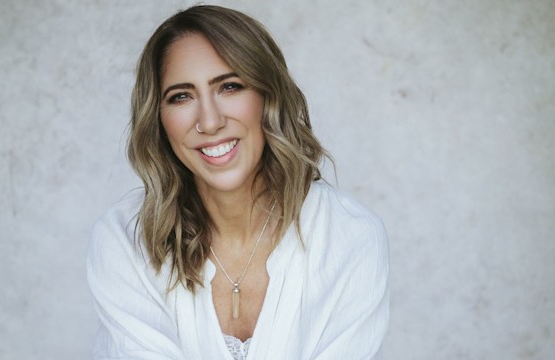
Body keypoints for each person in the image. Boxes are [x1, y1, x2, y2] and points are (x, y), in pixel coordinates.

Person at [87, 5, 389, 359]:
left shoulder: (350, 239)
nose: (210, 121)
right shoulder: (125, 239)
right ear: (159, 119)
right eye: (181, 96)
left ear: (268, 98)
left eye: (230, 87)